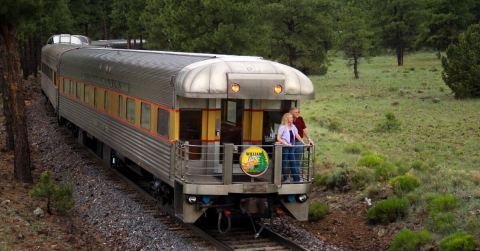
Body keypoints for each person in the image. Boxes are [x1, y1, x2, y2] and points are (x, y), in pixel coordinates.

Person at [277, 113, 305, 182]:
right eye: (290, 118)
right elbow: (278, 138)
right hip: (285, 147)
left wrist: (303, 143)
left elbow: (297, 135)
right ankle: (285, 178)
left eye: (292, 118)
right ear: (286, 118)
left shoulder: (293, 126)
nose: (292, 119)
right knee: (285, 162)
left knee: (293, 162)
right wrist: (285, 143)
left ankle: (296, 179)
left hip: (292, 146)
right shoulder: (282, 127)